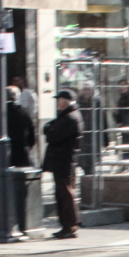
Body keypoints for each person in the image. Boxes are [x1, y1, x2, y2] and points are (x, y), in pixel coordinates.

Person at [43, 90, 82, 239]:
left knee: (65, 194)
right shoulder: (66, 117)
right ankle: (66, 226)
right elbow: (48, 128)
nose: (58, 103)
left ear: (66, 102)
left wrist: (49, 130)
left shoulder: (70, 118)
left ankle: (70, 226)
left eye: (59, 100)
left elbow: (52, 135)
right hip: (62, 160)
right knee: (62, 194)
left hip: (64, 160)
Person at [5, 86, 35, 167]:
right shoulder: (22, 112)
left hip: (5, 150)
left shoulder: (0, 112)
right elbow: (31, 129)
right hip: (22, 148)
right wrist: (29, 144)